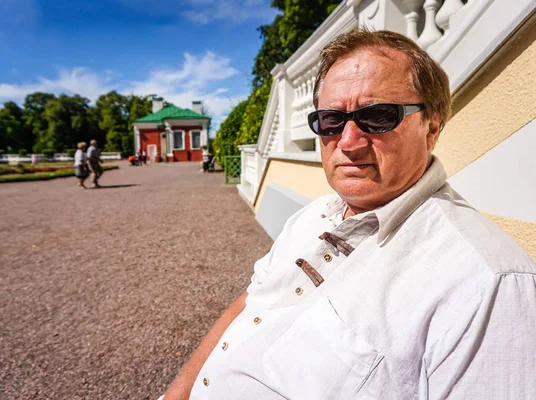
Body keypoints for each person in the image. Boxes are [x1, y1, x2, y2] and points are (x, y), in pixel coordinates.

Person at [163, 29, 536, 400]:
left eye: (377, 117)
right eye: (330, 120)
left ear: (431, 128)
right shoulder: (311, 216)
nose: (348, 141)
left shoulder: (488, 283)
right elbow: (250, 304)